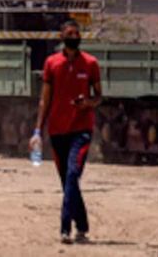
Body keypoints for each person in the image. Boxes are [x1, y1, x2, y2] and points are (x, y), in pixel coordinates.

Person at [29, 20, 102, 245]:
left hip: (81, 130)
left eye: (77, 32)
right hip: (58, 131)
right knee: (67, 182)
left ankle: (65, 228)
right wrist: (37, 130)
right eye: (70, 33)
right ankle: (82, 226)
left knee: (72, 174)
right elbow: (45, 99)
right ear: (62, 37)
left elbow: (98, 97)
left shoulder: (90, 63)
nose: (74, 35)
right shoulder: (52, 63)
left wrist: (87, 103)